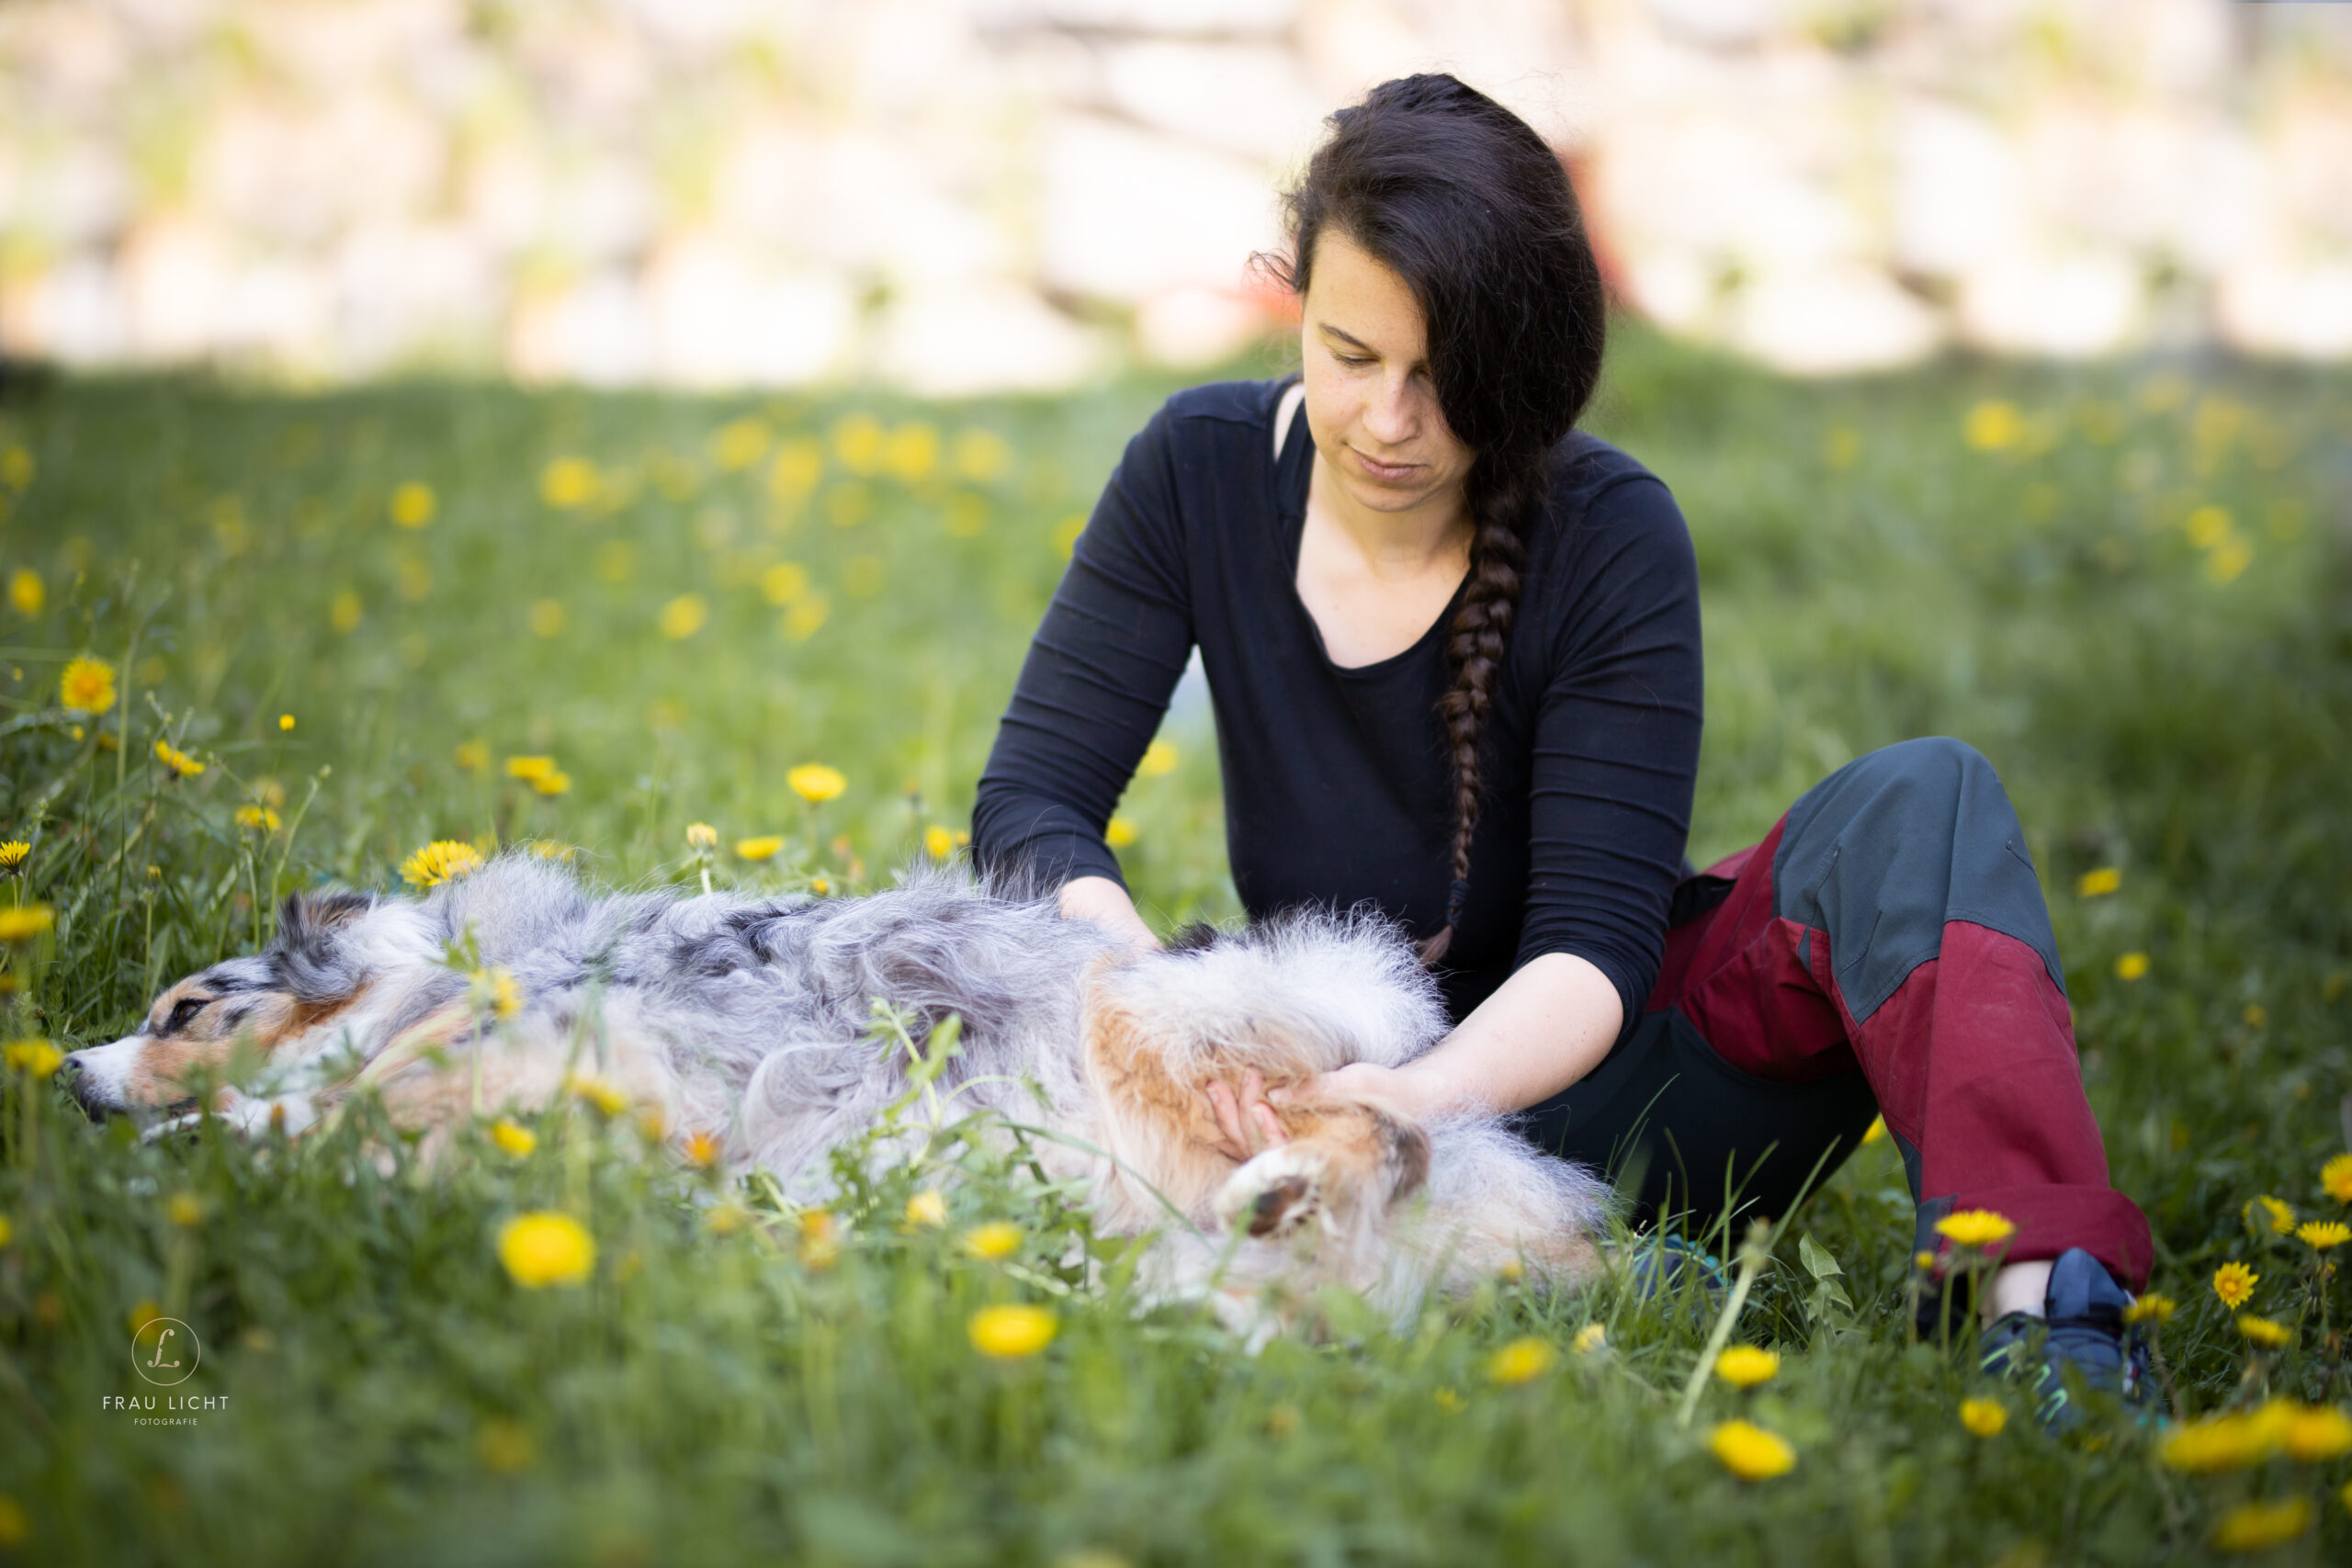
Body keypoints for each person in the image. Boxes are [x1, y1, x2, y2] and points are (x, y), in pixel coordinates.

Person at [972, 73, 2151, 1420]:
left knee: (1926, 793)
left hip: (1605, 1095)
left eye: (1446, 377)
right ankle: (1556, 1275)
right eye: (1351, 354)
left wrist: (1412, 1106)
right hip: (1326, 1098)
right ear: (1295, 300)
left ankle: (2049, 1311)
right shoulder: (1196, 469)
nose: (1391, 420)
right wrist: (1178, 1035)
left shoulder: (1612, 528)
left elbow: (1592, 952)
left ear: (1520, 366)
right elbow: (1034, 801)